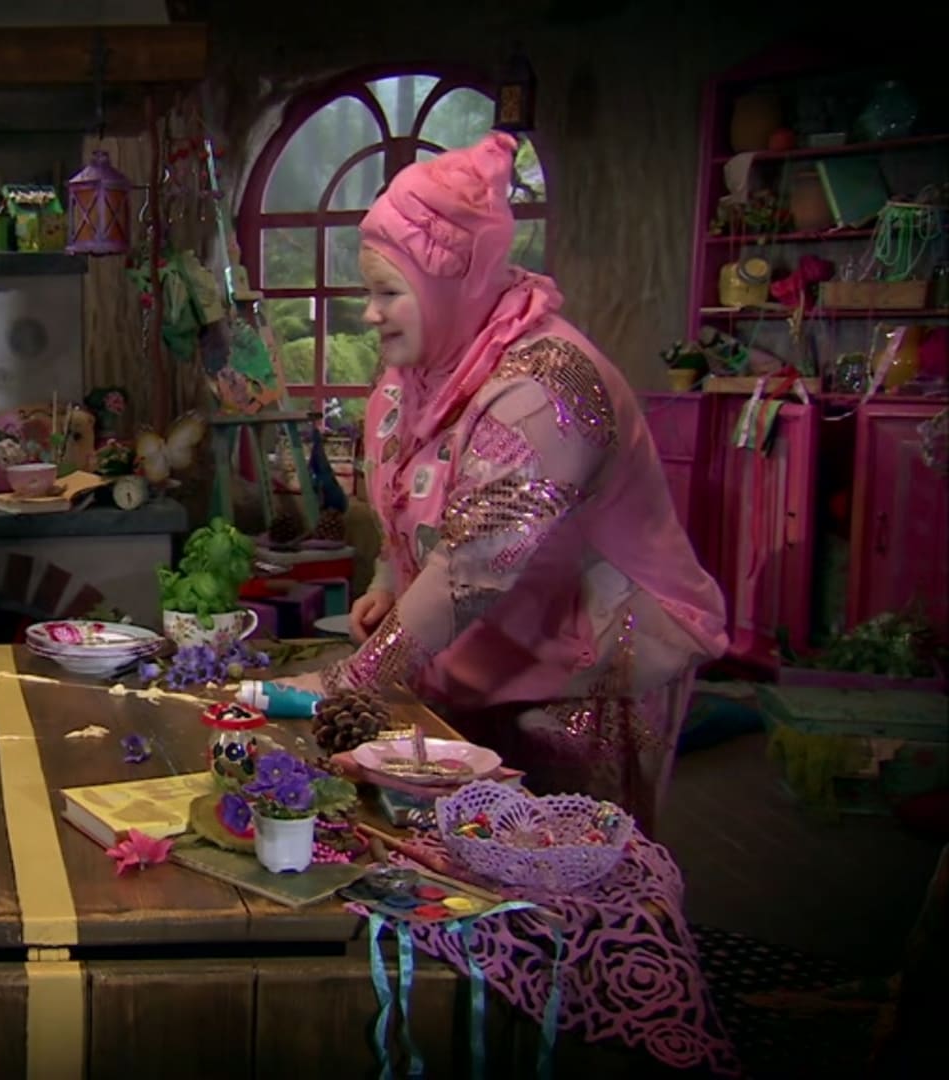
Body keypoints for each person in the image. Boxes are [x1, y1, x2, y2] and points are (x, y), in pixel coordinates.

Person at [277, 133, 726, 831]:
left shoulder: (545, 388)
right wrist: (388, 583)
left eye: (388, 292)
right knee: (464, 848)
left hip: (590, 670)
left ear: (450, 285)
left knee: (562, 853)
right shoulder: (418, 371)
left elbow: (472, 566)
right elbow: (405, 494)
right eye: (369, 292)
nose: (370, 313)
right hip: (484, 655)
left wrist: (352, 679)